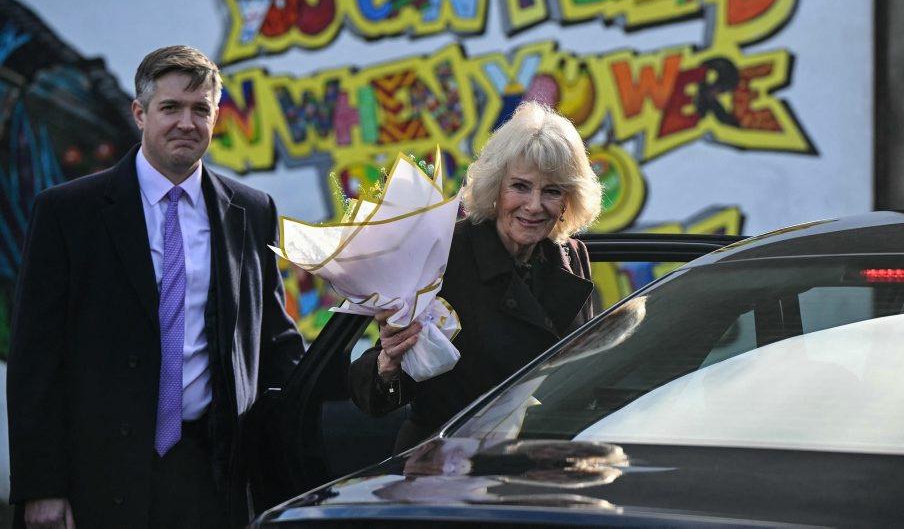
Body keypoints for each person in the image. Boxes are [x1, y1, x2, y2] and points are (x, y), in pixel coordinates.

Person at [6, 45, 305, 528]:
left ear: (216, 117)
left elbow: (275, 342)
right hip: (99, 476)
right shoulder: (68, 212)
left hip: (212, 474)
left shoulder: (251, 212)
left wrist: (373, 369)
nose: (186, 123)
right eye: (170, 108)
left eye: (200, 109)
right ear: (140, 113)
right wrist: (41, 486)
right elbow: (34, 360)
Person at [349, 100, 603, 452]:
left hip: (545, 460)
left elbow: (581, 372)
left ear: (567, 201)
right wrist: (388, 363)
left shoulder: (571, 257)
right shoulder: (441, 254)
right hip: (450, 462)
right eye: (520, 186)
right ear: (495, 187)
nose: (534, 205)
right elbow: (381, 389)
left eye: (552, 191)